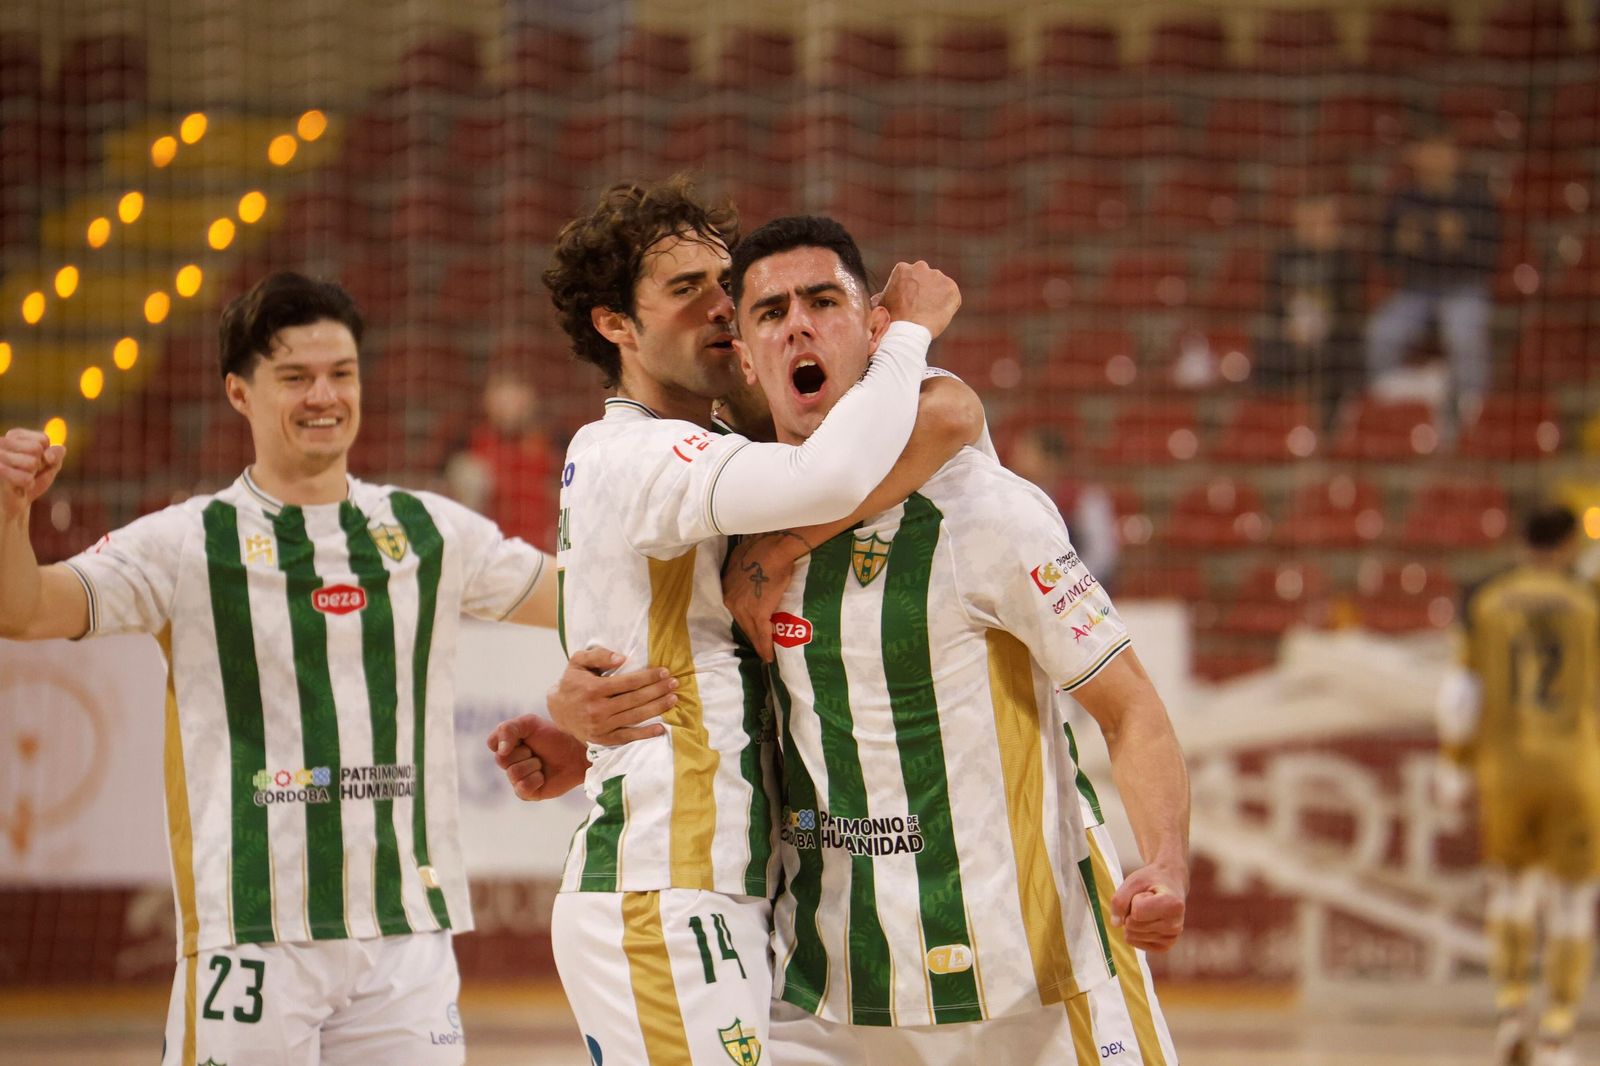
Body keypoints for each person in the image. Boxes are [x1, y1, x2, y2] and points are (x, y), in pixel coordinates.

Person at [505, 216, 1188, 1064]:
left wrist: (1164, 862)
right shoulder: (729, 497)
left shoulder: (982, 511)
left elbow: (1131, 711)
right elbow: (679, 640)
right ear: (746, 361)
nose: (795, 323)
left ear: (872, 330)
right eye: (765, 311)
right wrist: (580, 718)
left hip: (1040, 965)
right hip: (850, 987)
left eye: (823, 302)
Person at [0, 271, 604, 1066]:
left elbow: (582, 597)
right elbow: (27, 610)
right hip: (251, 936)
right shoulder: (187, 542)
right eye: (295, 377)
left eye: (340, 374)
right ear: (239, 393)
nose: (324, 395)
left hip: (405, 941)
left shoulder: (426, 529)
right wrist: (10, 514)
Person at [518, 178, 976, 1065]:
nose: (722, 306)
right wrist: (908, 331)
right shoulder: (636, 450)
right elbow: (834, 479)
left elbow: (948, 412)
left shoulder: (721, 443)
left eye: (724, 283)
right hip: (662, 882)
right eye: (685, 290)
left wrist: (581, 727)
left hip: (737, 886)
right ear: (616, 325)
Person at [1437, 505, 1600, 1066]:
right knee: (1573, 900)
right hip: (1575, 767)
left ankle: (1510, 1011)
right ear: (1570, 545)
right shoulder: (1589, 606)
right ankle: (1557, 1033)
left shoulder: (1487, 603)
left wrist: (1455, 763)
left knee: (1508, 890)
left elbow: (1461, 696)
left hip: (1506, 770)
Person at [1365, 117, 1500, 432]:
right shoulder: (1403, 199)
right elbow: (1384, 257)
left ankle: (1472, 415)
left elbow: (1490, 260)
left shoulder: (1475, 198)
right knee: (1381, 334)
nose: (1436, 157)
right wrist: (1401, 246)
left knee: (1463, 333)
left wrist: (1460, 243)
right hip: (1417, 290)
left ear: (1456, 155)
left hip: (1463, 287)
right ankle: (1416, 398)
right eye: (1428, 149)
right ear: (1414, 155)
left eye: (1442, 149)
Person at [1257, 190, 1364, 432]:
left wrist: (1328, 254)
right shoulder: (1284, 256)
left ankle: (1329, 431)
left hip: (1333, 336)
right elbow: (1274, 304)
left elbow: (1349, 306)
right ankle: (1272, 428)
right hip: (1291, 334)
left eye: (1320, 221)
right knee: (1266, 356)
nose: (1313, 228)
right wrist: (1290, 327)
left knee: (1335, 360)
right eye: (1307, 221)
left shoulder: (1344, 258)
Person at [1006, 422, 1120, 587]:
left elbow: (1101, 554)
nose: (1015, 458)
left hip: (1074, 594)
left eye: (1026, 452)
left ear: (1049, 459)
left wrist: (1066, 584)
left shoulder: (1085, 499)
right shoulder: (1012, 500)